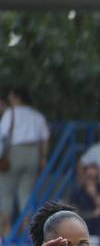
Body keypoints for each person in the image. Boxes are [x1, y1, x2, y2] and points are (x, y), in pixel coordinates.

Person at [0, 87, 50, 232]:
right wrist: (43, 158)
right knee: (26, 192)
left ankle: (5, 231)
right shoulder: (37, 115)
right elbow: (45, 137)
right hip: (33, 153)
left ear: (16, 97)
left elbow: (2, 134)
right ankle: (27, 231)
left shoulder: (11, 113)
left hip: (15, 152)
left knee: (6, 191)